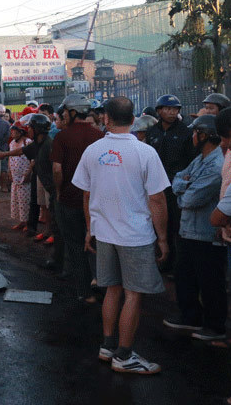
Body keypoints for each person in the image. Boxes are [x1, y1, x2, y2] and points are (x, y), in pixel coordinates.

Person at [73, 96, 169, 374]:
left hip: (104, 233)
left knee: (111, 291)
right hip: (135, 236)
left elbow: (86, 193)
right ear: (133, 120)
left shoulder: (93, 150)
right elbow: (158, 200)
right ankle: (124, 356)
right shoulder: (145, 152)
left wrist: (90, 229)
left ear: (106, 118)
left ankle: (108, 346)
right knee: (133, 295)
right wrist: (162, 238)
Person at [163, 114, 227, 341]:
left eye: (195, 133)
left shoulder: (217, 164)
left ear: (205, 136)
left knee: (210, 281)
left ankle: (215, 326)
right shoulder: (200, 158)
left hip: (205, 233)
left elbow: (190, 200)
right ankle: (190, 317)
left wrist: (183, 188)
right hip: (189, 230)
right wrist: (184, 185)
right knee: (185, 275)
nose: (191, 137)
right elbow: (177, 179)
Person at [51, 94, 104, 302]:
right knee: (97, 244)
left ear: (72, 112)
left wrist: (58, 190)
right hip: (96, 203)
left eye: (64, 112)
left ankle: (85, 292)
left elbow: (57, 169)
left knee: (75, 245)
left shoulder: (62, 137)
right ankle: (102, 283)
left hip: (70, 200)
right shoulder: (99, 136)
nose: (63, 115)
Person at [146, 94, 197, 271]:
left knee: (177, 226)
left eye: (175, 109)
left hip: (177, 187)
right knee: (158, 225)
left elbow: (192, 160)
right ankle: (161, 262)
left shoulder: (185, 132)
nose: (171, 112)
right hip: (155, 187)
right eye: (167, 109)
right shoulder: (152, 132)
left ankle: (178, 266)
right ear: (159, 111)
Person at [6, 123, 33, 230]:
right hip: (15, 175)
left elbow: (33, 160)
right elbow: (10, 157)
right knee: (17, 199)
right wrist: (9, 171)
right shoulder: (12, 143)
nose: (12, 133)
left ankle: (27, 222)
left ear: (21, 132)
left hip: (24, 175)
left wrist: (29, 172)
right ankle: (22, 221)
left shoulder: (28, 142)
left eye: (14, 131)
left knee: (26, 199)